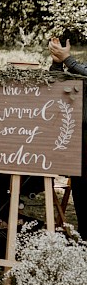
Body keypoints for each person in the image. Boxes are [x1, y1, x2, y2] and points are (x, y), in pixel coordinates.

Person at [48, 37, 87, 221]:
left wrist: (68, 59)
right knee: (81, 189)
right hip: (81, 142)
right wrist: (57, 63)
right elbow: (57, 85)